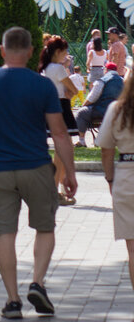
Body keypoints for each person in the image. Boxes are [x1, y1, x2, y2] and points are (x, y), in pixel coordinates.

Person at [0, 25, 77, 320]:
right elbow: (60, 132)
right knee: (45, 226)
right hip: (37, 166)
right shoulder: (41, 86)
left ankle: (12, 300)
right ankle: (37, 282)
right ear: (30, 52)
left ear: (1, 51)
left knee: (5, 234)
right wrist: (70, 172)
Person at [99, 67, 134, 300]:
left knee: (133, 249)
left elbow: (106, 149)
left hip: (127, 176)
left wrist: (110, 178)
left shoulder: (117, 110)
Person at [38, 36, 77, 203]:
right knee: (63, 150)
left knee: (61, 150)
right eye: (65, 51)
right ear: (59, 52)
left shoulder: (44, 68)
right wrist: (69, 93)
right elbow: (74, 89)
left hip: (48, 107)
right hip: (61, 107)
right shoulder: (58, 68)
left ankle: (58, 185)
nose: (66, 55)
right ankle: (55, 188)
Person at [75, 60, 124, 145]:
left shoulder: (102, 81)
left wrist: (83, 105)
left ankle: (82, 141)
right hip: (118, 111)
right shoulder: (123, 81)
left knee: (81, 113)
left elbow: (92, 98)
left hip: (102, 110)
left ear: (106, 70)